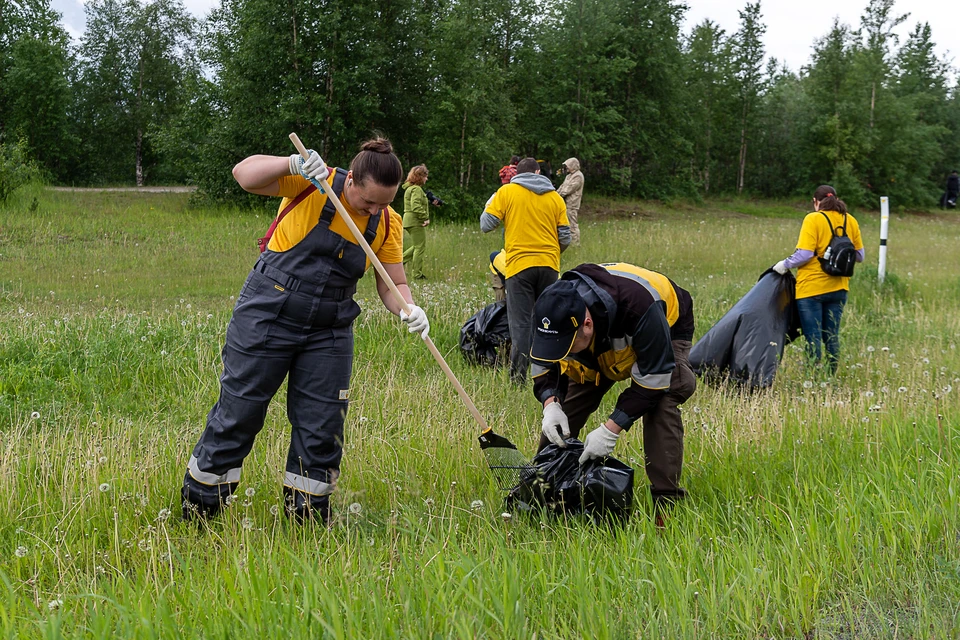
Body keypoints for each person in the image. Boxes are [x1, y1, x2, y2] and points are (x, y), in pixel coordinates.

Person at [181, 138, 430, 524]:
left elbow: (391, 283)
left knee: (322, 424)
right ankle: (201, 509)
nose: (376, 210)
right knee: (240, 411)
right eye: (368, 203)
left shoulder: (389, 223)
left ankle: (307, 517)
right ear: (351, 182)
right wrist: (291, 164)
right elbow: (243, 175)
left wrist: (409, 309)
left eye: (385, 203)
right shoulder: (315, 181)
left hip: (330, 327)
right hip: (269, 311)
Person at [531, 262, 696, 519]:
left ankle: (667, 506)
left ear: (587, 324)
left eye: (567, 345)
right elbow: (543, 363)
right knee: (571, 403)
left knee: (662, 400)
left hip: (664, 325)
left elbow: (654, 379)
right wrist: (551, 405)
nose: (564, 352)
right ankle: (542, 489)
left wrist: (611, 429)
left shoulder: (639, 307)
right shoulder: (551, 310)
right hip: (602, 328)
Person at [481, 157, 570, 383]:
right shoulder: (555, 197)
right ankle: (549, 377)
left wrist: (493, 200)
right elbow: (565, 237)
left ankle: (518, 379)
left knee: (521, 325)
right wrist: (551, 252)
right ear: (538, 172)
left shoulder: (507, 193)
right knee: (548, 323)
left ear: (517, 174)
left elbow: (486, 224)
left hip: (519, 267)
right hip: (549, 266)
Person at [773, 184, 864, 374]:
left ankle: (813, 375)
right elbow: (859, 256)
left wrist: (784, 264)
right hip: (839, 288)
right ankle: (830, 374)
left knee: (812, 336)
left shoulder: (813, 219)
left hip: (811, 289)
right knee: (832, 335)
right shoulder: (850, 220)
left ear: (816, 202)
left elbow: (804, 254)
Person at [402, 164, 430, 280]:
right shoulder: (417, 189)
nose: (426, 179)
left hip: (408, 220)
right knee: (420, 247)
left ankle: (397, 263)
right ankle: (417, 274)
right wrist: (425, 217)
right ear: (419, 177)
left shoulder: (410, 188)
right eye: (425, 176)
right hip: (415, 221)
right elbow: (416, 206)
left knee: (417, 246)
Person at [556, 158, 585, 246]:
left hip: (572, 204)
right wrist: (555, 194)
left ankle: (575, 243)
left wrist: (559, 195)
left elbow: (569, 189)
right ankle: (568, 243)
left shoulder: (578, 176)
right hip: (565, 203)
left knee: (572, 224)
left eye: (568, 166)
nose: (566, 168)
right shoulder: (569, 176)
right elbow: (562, 187)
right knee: (566, 224)